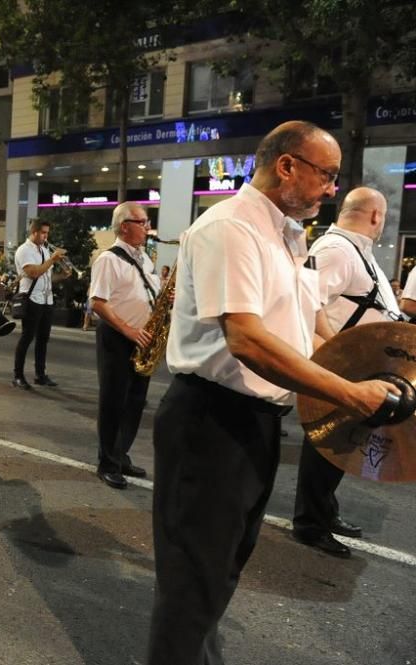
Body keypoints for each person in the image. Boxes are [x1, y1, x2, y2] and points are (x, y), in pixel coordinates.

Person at [147, 121, 397, 665]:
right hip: (209, 422)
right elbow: (250, 342)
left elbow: (304, 326)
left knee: (222, 570)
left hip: (253, 422)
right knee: (194, 582)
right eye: (326, 175)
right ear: (287, 165)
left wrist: (369, 366)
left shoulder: (287, 235)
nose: (331, 189)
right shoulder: (232, 228)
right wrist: (350, 397)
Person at [292, 186, 399, 558]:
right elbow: (306, 305)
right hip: (341, 368)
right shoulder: (337, 250)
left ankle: (324, 512)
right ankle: (310, 524)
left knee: (340, 448)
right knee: (327, 446)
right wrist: (336, 355)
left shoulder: (354, 250)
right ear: (374, 216)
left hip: (355, 368)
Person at [88, 202, 160, 489]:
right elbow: (98, 303)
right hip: (117, 338)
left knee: (136, 402)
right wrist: (129, 330)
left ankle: (121, 454)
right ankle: (107, 461)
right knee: (114, 402)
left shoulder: (145, 259)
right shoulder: (109, 259)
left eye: (147, 221)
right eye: (142, 222)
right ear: (124, 226)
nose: (147, 227)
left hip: (142, 339)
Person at [11, 219, 67, 389]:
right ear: (34, 232)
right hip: (32, 299)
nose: (46, 236)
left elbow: (46, 277)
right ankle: (18, 376)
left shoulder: (43, 250)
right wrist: (53, 259)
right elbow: (34, 272)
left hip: (46, 300)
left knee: (43, 339)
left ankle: (40, 375)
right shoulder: (24, 250)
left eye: (47, 233)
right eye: (43, 233)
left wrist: (63, 275)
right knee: (27, 337)